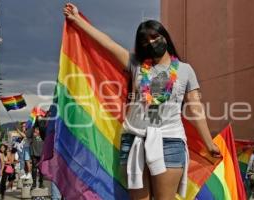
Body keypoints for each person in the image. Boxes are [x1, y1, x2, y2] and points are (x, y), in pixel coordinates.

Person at [63, 3, 220, 200]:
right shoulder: (136, 64)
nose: (152, 42)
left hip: (169, 141)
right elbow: (108, 44)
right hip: (134, 140)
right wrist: (77, 20)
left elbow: (195, 108)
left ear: (165, 38)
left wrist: (208, 143)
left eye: (155, 37)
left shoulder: (185, 70)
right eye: (146, 41)